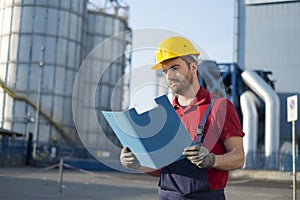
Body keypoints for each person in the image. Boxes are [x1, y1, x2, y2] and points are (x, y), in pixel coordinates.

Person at [120, 36, 245, 200]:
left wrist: (211, 160)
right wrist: (138, 163)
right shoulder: (165, 114)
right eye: (165, 71)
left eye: (175, 68)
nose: (169, 76)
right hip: (167, 195)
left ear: (193, 67)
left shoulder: (219, 107)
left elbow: (239, 157)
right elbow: (161, 170)